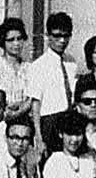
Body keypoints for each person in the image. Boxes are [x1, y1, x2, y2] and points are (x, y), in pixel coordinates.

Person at [33, 12, 82, 151]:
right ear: (48, 36)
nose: (62, 41)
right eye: (57, 36)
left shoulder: (71, 62)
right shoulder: (38, 65)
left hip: (69, 119)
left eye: (66, 36)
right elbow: (36, 105)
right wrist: (39, 137)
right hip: (49, 122)